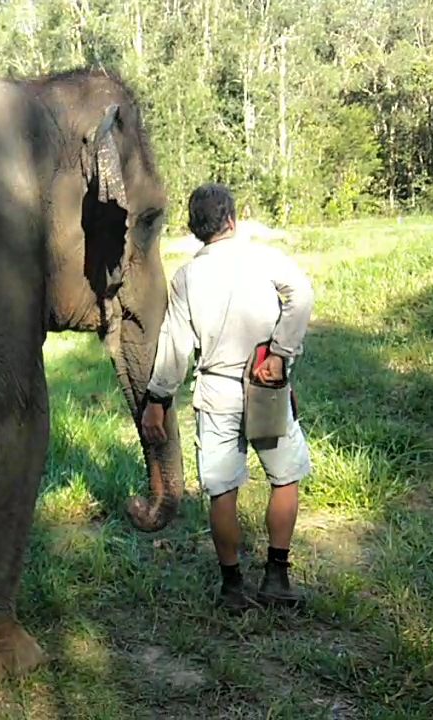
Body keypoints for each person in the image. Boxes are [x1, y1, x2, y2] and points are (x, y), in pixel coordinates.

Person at [140, 182, 315, 611]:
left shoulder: (186, 276)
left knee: (223, 491)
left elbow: (176, 344)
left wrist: (158, 399)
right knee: (285, 477)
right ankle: (276, 577)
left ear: (196, 229)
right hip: (265, 383)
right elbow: (302, 295)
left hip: (215, 391)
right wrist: (280, 352)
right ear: (232, 220)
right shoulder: (261, 257)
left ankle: (233, 587)